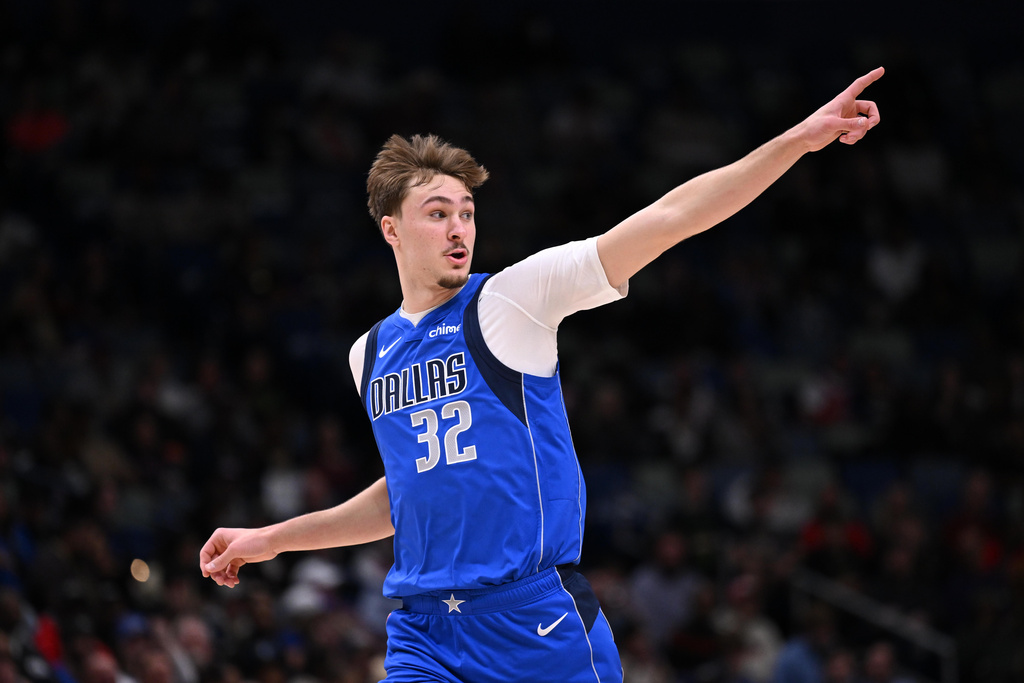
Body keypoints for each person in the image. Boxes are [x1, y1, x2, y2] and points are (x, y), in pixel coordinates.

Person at [199, 67, 884, 682]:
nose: (458, 227)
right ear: (391, 230)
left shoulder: (510, 301)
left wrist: (798, 139)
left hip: (533, 624)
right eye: (437, 213)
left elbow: (669, 218)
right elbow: (406, 494)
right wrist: (271, 538)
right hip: (425, 629)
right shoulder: (370, 354)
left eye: (466, 212)